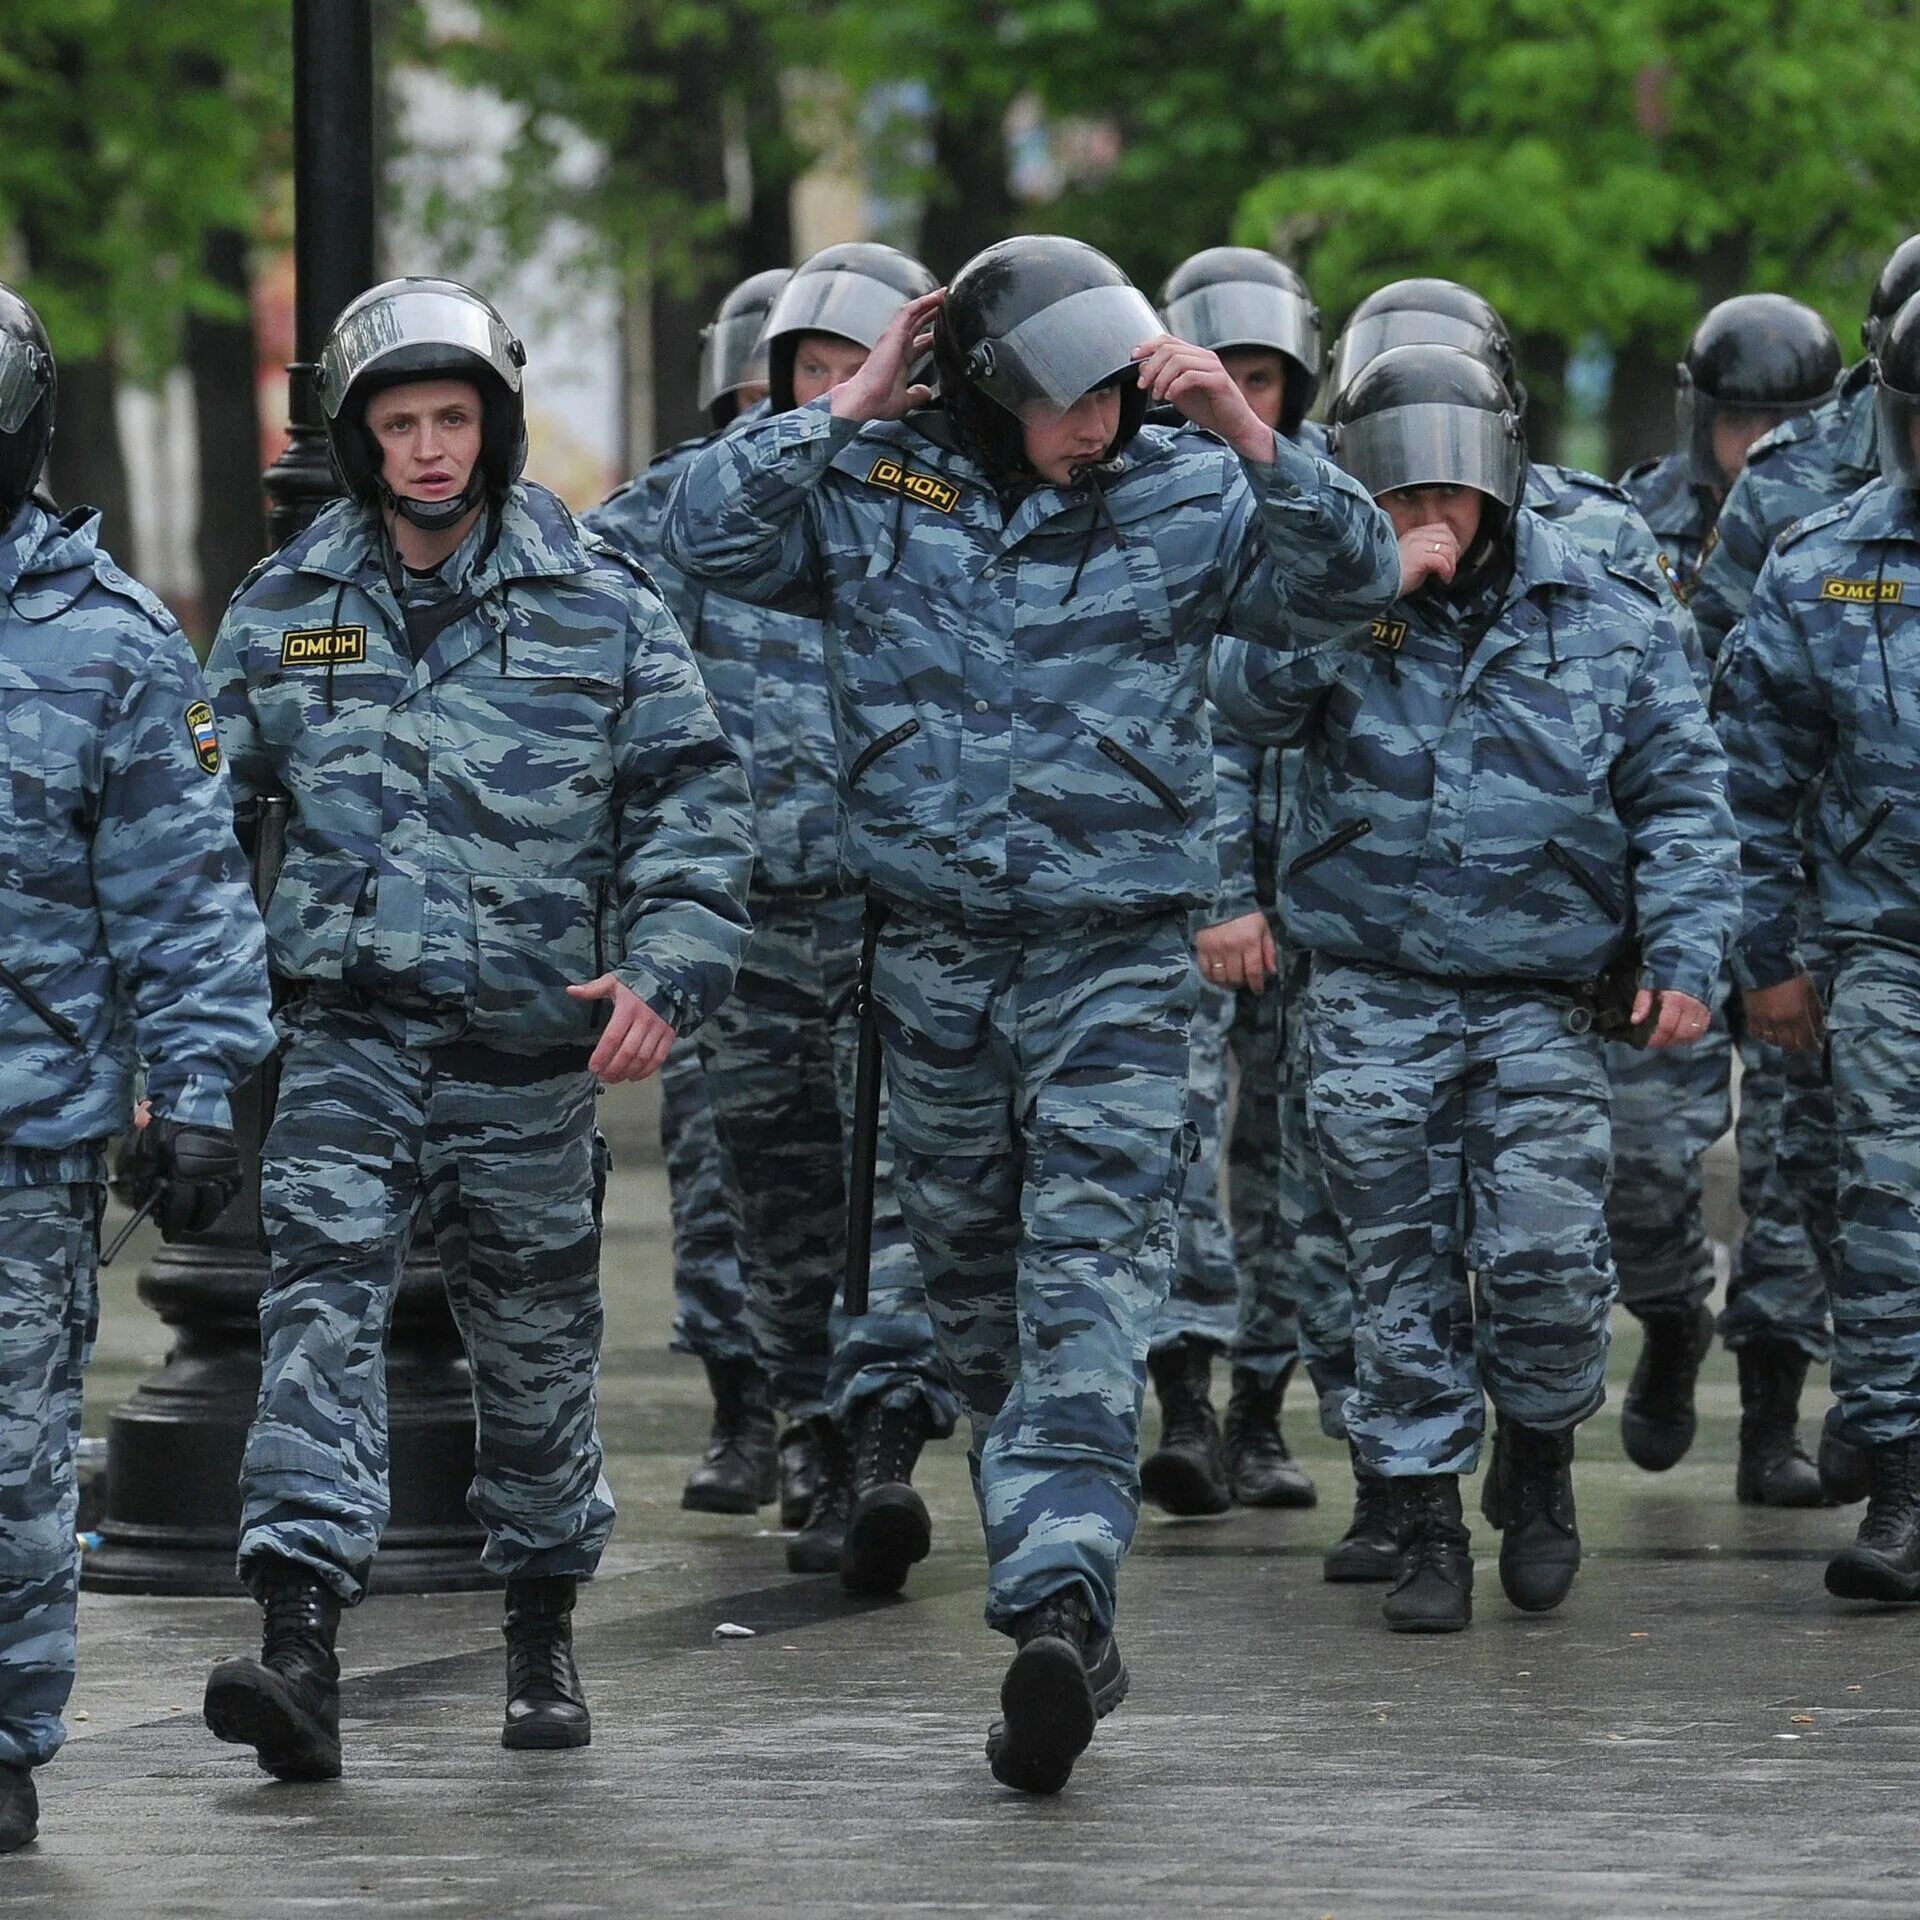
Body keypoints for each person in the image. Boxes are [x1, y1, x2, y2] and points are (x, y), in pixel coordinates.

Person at [665, 233, 1402, 1790]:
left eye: (1115, 391)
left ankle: (1060, 1602)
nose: (1100, 423)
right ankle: (1059, 1584)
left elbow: (1350, 581)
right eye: (1070, 399)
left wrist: (1252, 430)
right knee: (977, 1306)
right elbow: (701, 540)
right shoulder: (876, 491)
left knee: (1087, 1287)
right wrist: (846, 405)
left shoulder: (1190, 492)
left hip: (1116, 968)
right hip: (926, 965)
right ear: (991, 389)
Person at [198, 277, 754, 1779]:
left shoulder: (600, 611)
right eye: (399, 426)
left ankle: (539, 1625)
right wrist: (184, 1058)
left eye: (453, 420)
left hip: (529, 1053)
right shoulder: (284, 613)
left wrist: (667, 973)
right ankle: (300, 1637)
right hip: (347, 1044)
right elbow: (189, 834)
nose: (429, 450)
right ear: (359, 441)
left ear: (493, 429)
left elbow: (697, 810)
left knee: (536, 1354)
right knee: (316, 1316)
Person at [1211, 342, 1737, 1634]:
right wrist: (1355, 592)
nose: (1424, 516)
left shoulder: (1607, 606)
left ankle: (1544, 1468)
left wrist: (1682, 952)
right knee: (1398, 1274)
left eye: (1444, 493)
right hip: (1374, 991)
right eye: (1396, 494)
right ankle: (1427, 1516)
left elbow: (1680, 792)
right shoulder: (1327, 595)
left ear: (1497, 482)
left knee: (1550, 1264)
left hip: (1543, 1001)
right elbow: (1233, 715)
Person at [592, 245, 963, 1594]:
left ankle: (881, 1440)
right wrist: (813, 428)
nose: (838, 389)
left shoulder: (937, 494)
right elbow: (602, 555)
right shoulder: (718, 502)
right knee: (782, 1194)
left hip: (903, 917)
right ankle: (805, 1417)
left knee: (909, 1190)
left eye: (863, 364)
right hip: (746, 924)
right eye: (812, 368)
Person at [0, 282, 275, 1851]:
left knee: (15, 1462)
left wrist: (200, 1091)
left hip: (25, 1136)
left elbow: (182, 899)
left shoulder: (106, 641)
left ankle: (3, 1735)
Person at [1690, 236, 1920, 1502]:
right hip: (1866, 922)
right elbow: (1742, 737)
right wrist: (1762, 953)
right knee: (1859, 1191)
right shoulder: (1816, 531)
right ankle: (1871, 1455)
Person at [1614, 295, 1842, 1495]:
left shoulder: (1854, 522)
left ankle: (1772, 1417)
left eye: (1784, 420)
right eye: (1739, 418)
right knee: (1645, 1158)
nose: (1758, 445)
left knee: (1797, 1167)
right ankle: (1665, 1315)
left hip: (1810, 879)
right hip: (1669, 891)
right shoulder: (1622, 524)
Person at [600, 268, 789, 1522]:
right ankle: (742, 1401)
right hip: (712, 903)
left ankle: (852, 1417)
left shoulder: (895, 508)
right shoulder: (672, 517)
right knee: (718, 1164)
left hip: (859, 899)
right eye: (771, 390)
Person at [1141, 246, 1326, 1516]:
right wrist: (1215, 889)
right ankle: (1188, 1398)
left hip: (1319, 893)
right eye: (1221, 376)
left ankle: (1264, 1406)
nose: (1237, 401)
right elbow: (1164, 723)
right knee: (1174, 1142)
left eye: (1263, 380)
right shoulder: (1142, 509)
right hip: (1188, 895)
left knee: (1291, 1162)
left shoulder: (1315, 502)